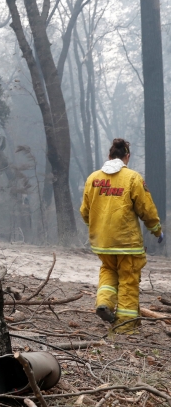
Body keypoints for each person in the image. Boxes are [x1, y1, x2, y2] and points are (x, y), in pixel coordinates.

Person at [80, 138, 163, 334]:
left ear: (109, 156)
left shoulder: (93, 179)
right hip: (127, 243)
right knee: (128, 280)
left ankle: (104, 303)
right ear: (127, 157)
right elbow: (147, 210)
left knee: (108, 272)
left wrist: (97, 227)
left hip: (102, 242)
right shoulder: (133, 178)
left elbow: (85, 211)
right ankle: (125, 326)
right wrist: (157, 230)